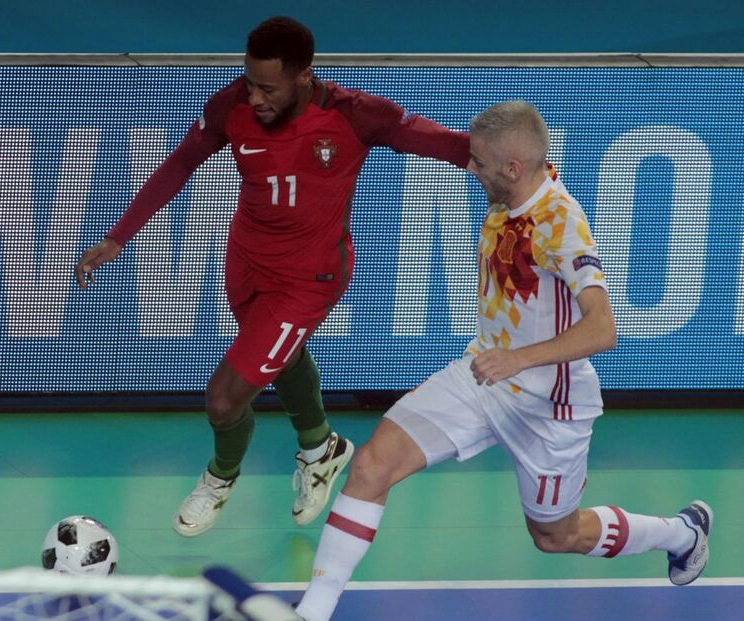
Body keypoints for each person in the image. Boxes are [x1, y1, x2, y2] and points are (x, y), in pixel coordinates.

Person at [295, 100, 713, 620]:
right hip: (481, 375)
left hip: (549, 403)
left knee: (556, 536)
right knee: (372, 463)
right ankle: (312, 611)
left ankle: (681, 532)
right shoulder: (513, 189)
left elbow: (603, 329)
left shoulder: (562, 225)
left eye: (480, 163)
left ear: (512, 169)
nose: (470, 168)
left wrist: (519, 360)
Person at [73, 16, 471, 537]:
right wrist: (118, 236)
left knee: (224, 397)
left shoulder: (355, 115)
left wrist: (514, 167)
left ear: (305, 76)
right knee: (282, 357)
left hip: (308, 278)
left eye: (268, 87)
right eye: (249, 81)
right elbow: (179, 163)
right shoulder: (231, 106)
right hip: (246, 262)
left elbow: (440, 142)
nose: (255, 97)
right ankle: (320, 447)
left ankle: (219, 477)